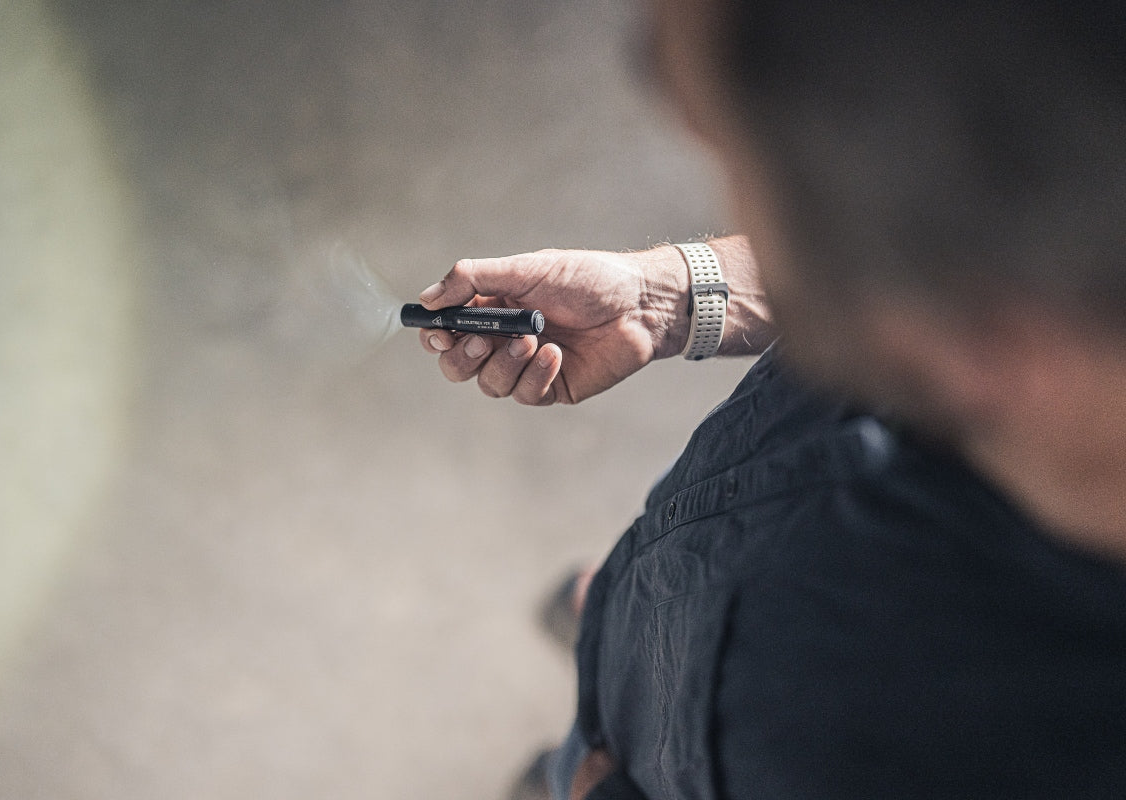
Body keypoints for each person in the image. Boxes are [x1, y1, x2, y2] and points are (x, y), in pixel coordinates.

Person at [418, 1, 1126, 798]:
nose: (669, 98)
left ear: (988, 333)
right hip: (682, 609)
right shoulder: (1036, 288)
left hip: (706, 752)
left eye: (749, 155)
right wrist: (670, 295)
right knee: (634, 662)